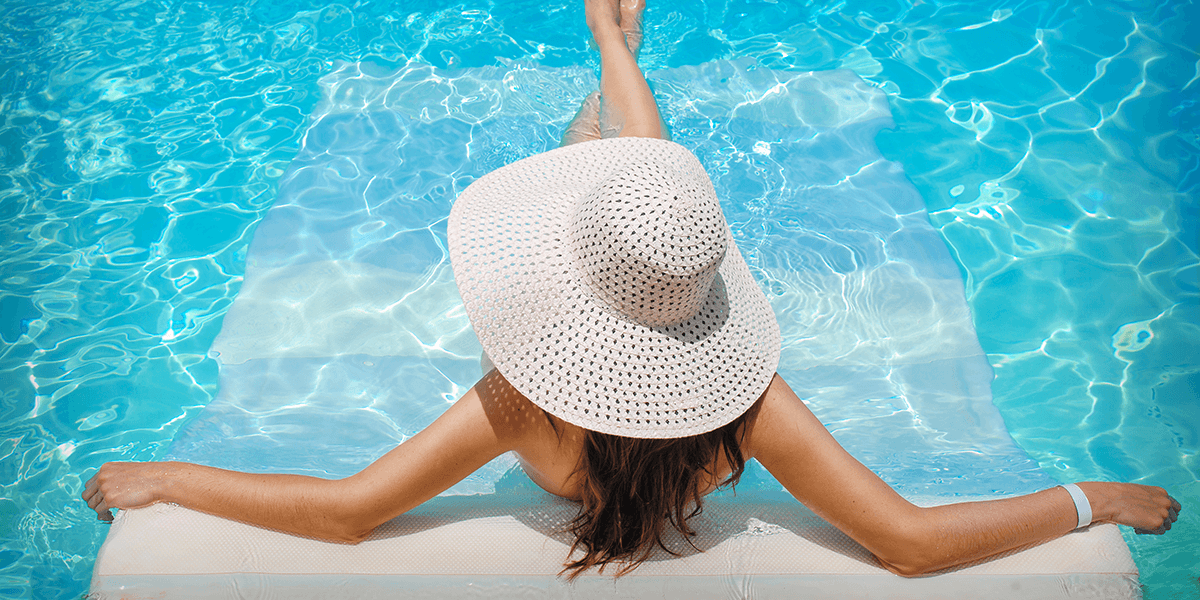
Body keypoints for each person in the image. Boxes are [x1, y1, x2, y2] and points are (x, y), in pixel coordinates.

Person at [83, 0, 1180, 579]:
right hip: (658, 350)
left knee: (621, 184)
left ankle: (610, 60)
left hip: (592, 378)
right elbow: (909, 541)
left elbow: (347, 512)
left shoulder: (522, 401)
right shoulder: (747, 409)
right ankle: (616, 57)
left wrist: (167, 475)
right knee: (641, 197)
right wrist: (1097, 500)